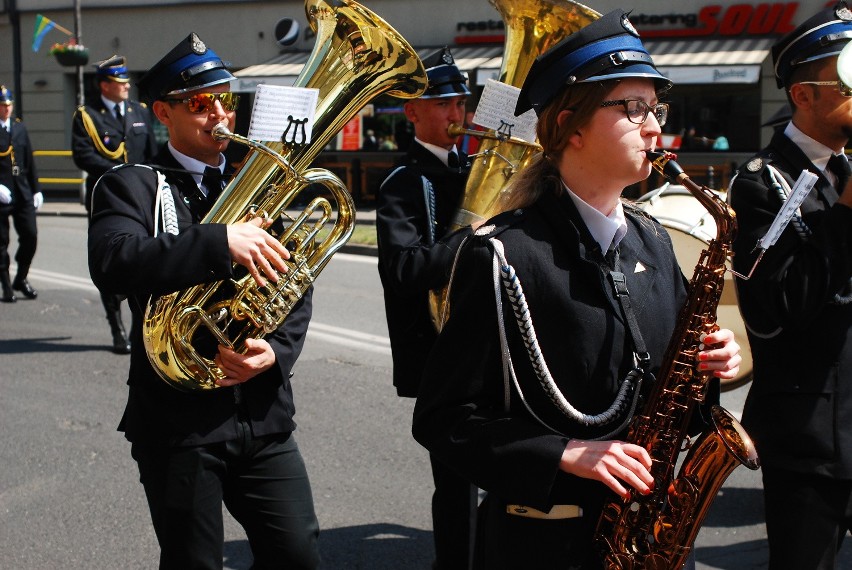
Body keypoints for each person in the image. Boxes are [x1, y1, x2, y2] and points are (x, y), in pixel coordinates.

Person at [412, 10, 742, 569]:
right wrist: (562, 453)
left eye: (655, 107)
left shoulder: (655, 240)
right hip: (546, 544)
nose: (654, 126)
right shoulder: (503, 254)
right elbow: (444, 421)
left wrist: (710, 367)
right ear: (572, 125)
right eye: (633, 109)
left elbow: (670, 395)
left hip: (647, 534)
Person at [87, 33, 320, 569]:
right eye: (199, 102)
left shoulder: (258, 183)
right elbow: (113, 262)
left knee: (299, 554)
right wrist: (219, 242)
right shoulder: (132, 185)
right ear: (163, 112)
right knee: (194, 562)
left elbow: (297, 281)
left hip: (262, 415)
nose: (219, 113)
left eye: (225, 99)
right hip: (179, 424)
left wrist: (277, 352)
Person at [727, 3, 852, 568]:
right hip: (810, 441)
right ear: (804, 96)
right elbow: (776, 308)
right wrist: (847, 213)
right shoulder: (764, 183)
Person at [376, 46, 478, 570]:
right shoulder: (402, 183)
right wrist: (474, 240)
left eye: (459, 102)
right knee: (457, 482)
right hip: (443, 354)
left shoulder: (481, 168)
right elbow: (402, 271)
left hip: (493, 344)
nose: (455, 114)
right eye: (442, 104)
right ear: (412, 111)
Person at [72, 55, 157, 353]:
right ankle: (116, 327)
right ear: (104, 85)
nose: (126, 88)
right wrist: (119, 176)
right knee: (111, 262)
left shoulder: (139, 111)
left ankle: (137, 329)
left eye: (126, 83)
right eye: (119, 84)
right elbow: (83, 155)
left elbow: (150, 154)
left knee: (144, 262)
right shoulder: (88, 116)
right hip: (106, 197)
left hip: (142, 198)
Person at [0, 85, 42, 303]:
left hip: (22, 190)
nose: (6, 109)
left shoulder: (19, 128)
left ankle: (21, 277)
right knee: (1, 242)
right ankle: (6, 285)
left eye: (8, 105)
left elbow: (29, 159)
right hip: (1, 195)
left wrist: (36, 189)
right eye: (2, 105)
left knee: (31, 236)